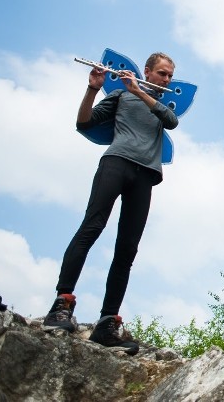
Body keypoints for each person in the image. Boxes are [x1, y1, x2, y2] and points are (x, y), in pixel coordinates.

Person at [42, 53, 178, 355]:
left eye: (169, 75)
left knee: (127, 248)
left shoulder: (160, 103)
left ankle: (107, 323)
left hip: (146, 175)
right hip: (116, 163)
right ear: (147, 71)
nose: (166, 79)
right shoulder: (119, 96)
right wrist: (92, 88)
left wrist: (140, 92)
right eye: (162, 73)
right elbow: (83, 123)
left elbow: (172, 122)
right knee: (92, 226)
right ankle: (62, 304)